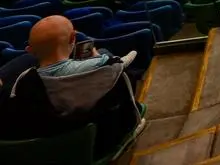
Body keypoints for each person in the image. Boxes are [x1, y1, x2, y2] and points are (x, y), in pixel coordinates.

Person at [2, 15, 143, 159]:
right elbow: (125, 62)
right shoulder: (100, 67)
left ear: (30, 50)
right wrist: (97, 59)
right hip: (98, 143)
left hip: (56, 148)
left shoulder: (23, 80)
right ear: (72, 38)